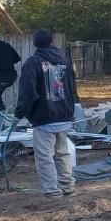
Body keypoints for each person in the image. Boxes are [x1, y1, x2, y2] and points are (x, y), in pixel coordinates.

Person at [15, 28, 79, 198]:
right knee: (62, 152)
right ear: (51, 41)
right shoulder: (65, 60)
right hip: (64, 114)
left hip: (44, 118)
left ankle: (52, 191)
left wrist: (20, 113)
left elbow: (27, 92)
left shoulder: (33, 62)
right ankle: (68, 186)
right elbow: (72, 87)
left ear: (35, 43)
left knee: (44, 157)